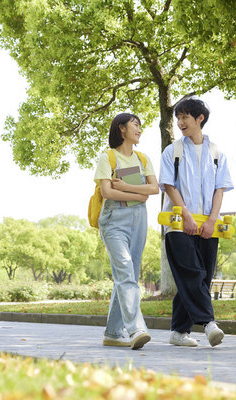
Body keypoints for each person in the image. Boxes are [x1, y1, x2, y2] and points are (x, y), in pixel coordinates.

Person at [159, 97, 233, 347]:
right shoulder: (173, 151)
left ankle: (179, 332)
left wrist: (213, 220)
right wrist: (187, 216)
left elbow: (219, 190)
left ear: (199, 118)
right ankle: (209, 323)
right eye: (178, 118)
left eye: (185, 117)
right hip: (179, 224)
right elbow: (169, 186)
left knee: (200, 278)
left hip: (208, 226)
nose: (180, 122)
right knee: (192, 271)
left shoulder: (217, 153)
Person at [94, 113, 159, 350]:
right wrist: (138, 194)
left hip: (139, 220)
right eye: (135, 125)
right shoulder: (108, 158)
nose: (139, 129)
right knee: (125, 271)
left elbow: (153, 189)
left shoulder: (143, 159)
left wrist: (128, 187)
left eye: (140, 126)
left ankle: (112, 332)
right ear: (122, 129)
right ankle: (136, 329)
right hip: (114, 221)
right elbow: (107, 192)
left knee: (127, 274)